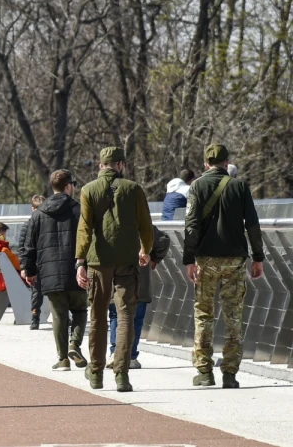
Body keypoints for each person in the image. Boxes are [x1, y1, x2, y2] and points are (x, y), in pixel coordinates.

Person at [184, 143, 265, 389]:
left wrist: (188, 259)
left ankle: (204, 372)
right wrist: (258, 257)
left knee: (204, 315)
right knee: (233, 315)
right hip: (235, 260)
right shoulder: (239, 186)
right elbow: (252, 224)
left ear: (206, 163)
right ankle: (229, 373)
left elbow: (191, 225)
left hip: (206, 259)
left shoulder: (197, 186)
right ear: (227, 162)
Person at [76, 146, 153, 393]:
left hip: (98, 261)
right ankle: (122, 374)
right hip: (127, 260)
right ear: (121, 164)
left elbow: (85, 229)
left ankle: (96, 372)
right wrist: (145, 250)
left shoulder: (88, 190)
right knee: (125, 316)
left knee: (98, 315)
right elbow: (145, 226)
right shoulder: (133, 189)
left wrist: (80, 262)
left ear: (101, 165)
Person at [22, 170, 87, 371]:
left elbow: (29, 245)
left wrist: (28, 269)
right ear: (68, 186)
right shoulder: (80, 210)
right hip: (76, 270)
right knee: (79, 310)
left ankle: (62, 359)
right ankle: (74, 344)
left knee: (58, 315)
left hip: (49, 272)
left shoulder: (39, 214)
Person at [110, 223, 170, 369]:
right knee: (136, 319)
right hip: (140, 279)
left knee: (116, 317)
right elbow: (164, 240)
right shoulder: (143, 225)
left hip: (115, 279)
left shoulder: (110, 222)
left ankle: (114, 352)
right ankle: (130, 356)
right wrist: (154, 258)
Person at [17, 195, 45, 328]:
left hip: (46, 262)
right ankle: (35, 316)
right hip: (35, 264)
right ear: (32, 209)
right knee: (36, 292)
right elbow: (22, 248)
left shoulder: (47, 224)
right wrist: (24, 267)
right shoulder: (27, 225)